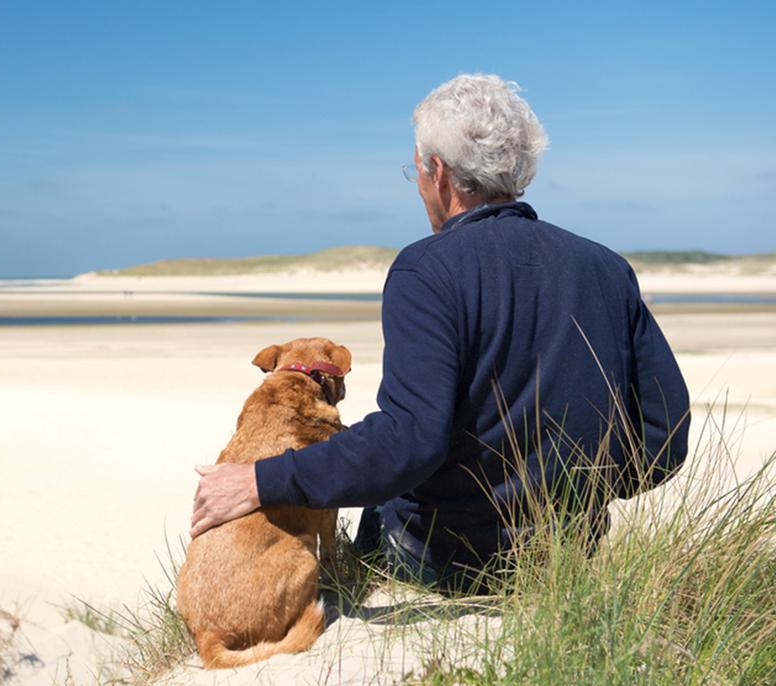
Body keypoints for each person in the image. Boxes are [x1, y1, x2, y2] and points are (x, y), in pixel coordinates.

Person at [189, 73, 690, 594]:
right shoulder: (606, 268)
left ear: (439, 172)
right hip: (570, 557)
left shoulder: (425, 270)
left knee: (385, 496)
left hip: (442, 561)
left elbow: (409, 439)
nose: (420, 185)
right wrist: (577, 499)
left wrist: (261, 480)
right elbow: (665, 436)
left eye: (416, 171)